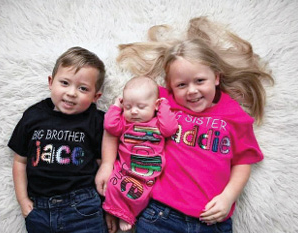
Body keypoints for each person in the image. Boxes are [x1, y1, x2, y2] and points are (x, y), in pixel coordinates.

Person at [97, 17, 274, 232]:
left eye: (200, 81)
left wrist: (228, 197)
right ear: (170, 86)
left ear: (216, 77)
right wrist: (107, 165)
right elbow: (114, 127)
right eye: (181, 85)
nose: (191, 90)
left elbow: (243, 161)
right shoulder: (160, 102)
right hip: (161, 214)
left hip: (212, 219)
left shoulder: (234, 115)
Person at [8, 46, 111, 233]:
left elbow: (104, 166)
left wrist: (110, 208)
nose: (72, 93)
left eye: (83, 88)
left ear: (96, 96)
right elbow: (20, 161)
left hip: (84, 206)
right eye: (64, 83)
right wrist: (22, 200)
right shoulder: (33, 115)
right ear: (50, 82)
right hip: (39, 209)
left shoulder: (96, 121)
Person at [100, 76, 178, 231]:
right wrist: (116, 107)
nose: (134, 111)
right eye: (128, 107)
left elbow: (170, 129)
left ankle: (127, 214)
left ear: (155, 105)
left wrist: (163, 106)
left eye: (141, 107)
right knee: (113, 186)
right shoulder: (124, 122)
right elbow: (110, 126)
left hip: (147, 172)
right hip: (125, 168)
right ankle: (116, 211)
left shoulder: (158, 123)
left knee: (142, 195)